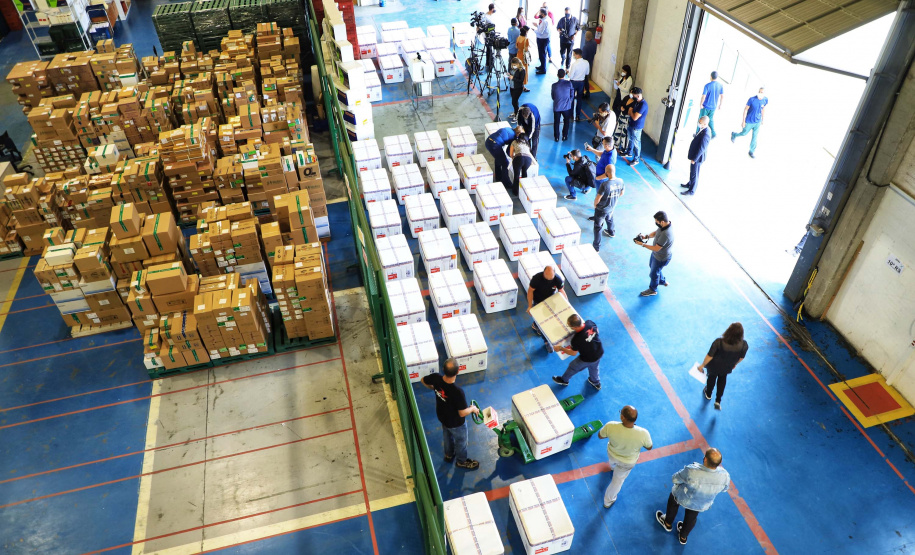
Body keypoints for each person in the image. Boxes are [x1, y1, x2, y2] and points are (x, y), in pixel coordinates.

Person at [656, 448, 730, 545]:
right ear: (719, 463)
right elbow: (725, 489)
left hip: (685, 497)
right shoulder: (725, 476)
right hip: (702, 503)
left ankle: (667, 522)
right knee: (692, 516)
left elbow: (675, 479)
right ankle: (683, 536)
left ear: (705, 459)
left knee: (673, 499)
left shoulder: (692, 470)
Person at [421, 358, 482, 470]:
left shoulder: (436, 378)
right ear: (458, 372)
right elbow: (462, 413)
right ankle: (461, 461)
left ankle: (449, 455)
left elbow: (423, 380)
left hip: (442, 417)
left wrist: (435, 389)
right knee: (461, 441)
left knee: (447, 436)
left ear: (443, 369)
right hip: (456, 423)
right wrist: (473, 409)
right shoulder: (457, 392)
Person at [598, 406, 653, 508]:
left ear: (622, 417)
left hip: (612, 454)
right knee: (617, 482)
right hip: (627, 462)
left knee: (613, 463)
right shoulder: (643, 433)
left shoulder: (611, 426)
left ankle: (613, 467)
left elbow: (600, 436)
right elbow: (649, 447)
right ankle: (608, 501)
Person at [700, 323, 748, 410]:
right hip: (727, 367)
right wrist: (734, 364)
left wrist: (702, 365)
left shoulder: (718, 342)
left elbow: (709, 356)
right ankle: (718, 400)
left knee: (711, 378)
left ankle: (708, 394)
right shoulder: (744, 345)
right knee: (722, 379)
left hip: (714, 366)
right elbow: (741, 358)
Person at [552, 314, 604, 390]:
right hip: (599, 352)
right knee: (594, 368)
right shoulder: (589, 323)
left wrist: (560, 348)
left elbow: (573, 353)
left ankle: (564, 380)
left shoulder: (576, 339)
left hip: (587, 358)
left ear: (574, 327)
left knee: (573, 367)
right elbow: (597, 330)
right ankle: (595, 382)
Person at [527, 264, 568, 352]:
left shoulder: (558, 279)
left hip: (550, 301)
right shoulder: (536, 279)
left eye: (551, 278)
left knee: (549, 320)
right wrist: (530, 306)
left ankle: (536, 325)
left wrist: (567, 305)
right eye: (547, 277)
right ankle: (546, 341)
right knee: (541, 323)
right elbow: (530, 291)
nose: (549, 279)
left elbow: (561, 291)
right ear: (543, 273)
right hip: (538, 301)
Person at [635, 210, 673, 297]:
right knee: (654, 268)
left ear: (662, 222)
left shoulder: (666, 234)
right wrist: (646, 236)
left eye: (657, 222)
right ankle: (661, 281)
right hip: (656, 255)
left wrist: (642, 244)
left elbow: (656, 248)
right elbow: (656, 232)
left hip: (661, 257)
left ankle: (653, 290)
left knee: (653, 273)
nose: (656, 223)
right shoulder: (664, 226)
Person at [591, 165, 623, 252]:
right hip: (612, 207)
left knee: (598, 227)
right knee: (609, 218)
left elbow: (598, 198)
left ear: (607, 173)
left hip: (602, 209)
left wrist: (596, 206)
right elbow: (621, 193)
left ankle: (596, 247)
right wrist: (613, 199)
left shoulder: (605, 184)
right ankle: (611, 232)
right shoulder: (620, 181)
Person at [731, 87, 768, 159]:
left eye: (762, 92)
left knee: (755, 137)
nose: (760, 94)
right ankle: (734, 134)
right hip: (749, 121)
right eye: (759, 92)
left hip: (757, 122)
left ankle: (751, 151)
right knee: (743, 133)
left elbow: (763, 109)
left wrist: (763, 119)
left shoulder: (765, 100)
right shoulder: (752, 99)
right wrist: (743, 121)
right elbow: (745, 110)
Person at [680, 116, 710, 196]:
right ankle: (689, 184)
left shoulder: (706, 134)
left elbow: (701, 148)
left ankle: (691, 190)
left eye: (700, 123)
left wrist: (694, 159)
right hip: (695, 156)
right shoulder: (703, 129)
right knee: (692, 172)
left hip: (698, 158)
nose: (699, 124)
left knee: (695, 174)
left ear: (704, 124)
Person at [625, 87, 648, 166]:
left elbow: (635, 117)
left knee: (636, 143)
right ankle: (629, 152)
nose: (632, 96)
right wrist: (631, 111)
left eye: (633, 95)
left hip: (637, 127)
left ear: (638, 96)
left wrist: (631, 111)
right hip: (631, 124)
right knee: (630, 139)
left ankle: (636, 159)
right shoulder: (636, 102)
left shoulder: (643, 105)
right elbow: (629, 110)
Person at [697, 71, 723, 138]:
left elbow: (704, 96)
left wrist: (701, 104)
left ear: (711, 77)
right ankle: (713, 133)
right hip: (713, 107)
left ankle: (697, 133)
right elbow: (722, 96)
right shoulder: (720, 86)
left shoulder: (707, 85)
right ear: (717, 77)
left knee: (701, 119)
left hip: (705, 106)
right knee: (710, 120)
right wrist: (720, 105)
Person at [552, 69, 575, 142]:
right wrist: (570, 101)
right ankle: (564, 136)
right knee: (566, 122)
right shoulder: (569, 83)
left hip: (557, 107)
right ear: (564, 75)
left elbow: (553, 96)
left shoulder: (554, 85)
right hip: (566, 107)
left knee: (556, 122)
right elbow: (572, 93)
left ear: (557, 75)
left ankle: (556, 137)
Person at [509, 132, 534, 197]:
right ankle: (524, 191)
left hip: (519, 158)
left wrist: (513, 158)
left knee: (517, 175)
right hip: (528, 159)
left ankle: (515, 192)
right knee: (524, 172)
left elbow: (511, 154)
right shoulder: (527, 144)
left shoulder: (514, 142)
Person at [567, 49, 589, 120]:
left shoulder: (574, 64)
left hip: (573, 82)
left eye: (574, 54)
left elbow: (571, 76)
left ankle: (571, 115)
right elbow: (587, 73)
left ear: (577, 55)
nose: (573, 55)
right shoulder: (586, 62)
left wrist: (567, 72)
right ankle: (578, 115)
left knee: (572, 98)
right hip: (582, 82)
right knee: (579, 99)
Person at [532, 8, 552, 74]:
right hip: (544, 38)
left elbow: (540, 32)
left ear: (543, 14)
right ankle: (542, 66)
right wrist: (537, 25)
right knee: (541, 53)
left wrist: (533, 30)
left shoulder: (544, 21)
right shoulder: (546, 19)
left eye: (540, 13)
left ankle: (543, 69)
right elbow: (542, 28)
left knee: (542, 54)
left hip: (542, 39)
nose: (539, 15)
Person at [581, 31, 597, 99]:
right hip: (590, 62)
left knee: (582, 79)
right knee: (586, 78)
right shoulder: (594, 43)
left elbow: (584, 57)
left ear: (586, 37)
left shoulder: (585, 46)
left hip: (585, 64)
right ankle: (587, 92)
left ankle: (582, 93)